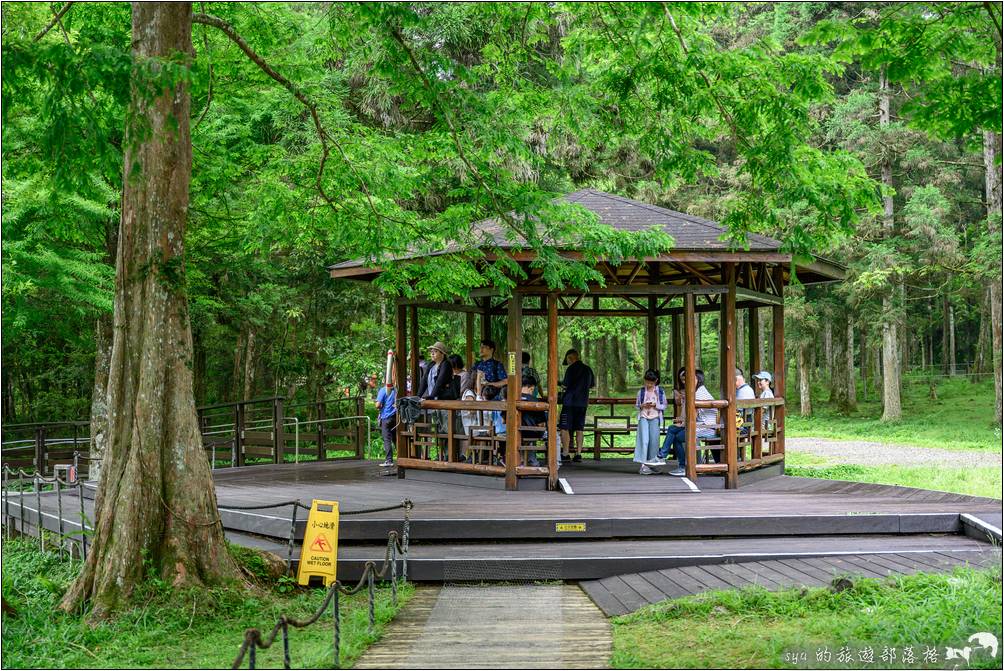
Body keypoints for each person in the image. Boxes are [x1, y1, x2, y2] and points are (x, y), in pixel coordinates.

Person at [653, 368, 717, 476]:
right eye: (684, 380)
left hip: (707, 428)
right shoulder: (698, 391)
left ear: (698, 379)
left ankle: (681, 466)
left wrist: (682, 424)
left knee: (677, 437)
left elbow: (693, 415)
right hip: (700, 425)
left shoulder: (698, 393)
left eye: (690, 379)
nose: (686, 382)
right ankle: (662, 456)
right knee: (672, 428)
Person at [559, 349, 594, 463]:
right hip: (583, 403)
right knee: (579, 428)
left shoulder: (571, 369)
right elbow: (592, 386)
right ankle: (578, 453)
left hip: (569, 402)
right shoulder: (588, 369)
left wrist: (559, 383)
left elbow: (565, 385)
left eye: (568, 360)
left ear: (570, 358)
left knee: (565, 427)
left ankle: (565, 453)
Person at [633, 369, 667, 475]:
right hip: (643, 417)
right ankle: (643, 465)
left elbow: (664, 406)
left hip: (655, 417)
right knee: (644, 440)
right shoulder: (641, 391)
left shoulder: (660, 392)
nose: (648, 384)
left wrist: (655, 405)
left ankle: (652, 465)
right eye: (647, 382)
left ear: (656, 381)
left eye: (651, 383)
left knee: (654, 442)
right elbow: (637, 405)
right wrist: (642, 405)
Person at [375, 383, 397, 467]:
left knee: (387, 439)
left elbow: (378, 405)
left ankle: (389, 460)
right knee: (396, 438)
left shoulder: (383, 390)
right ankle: (401, 457)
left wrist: (379, 406)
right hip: (395, 417)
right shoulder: (396, 390)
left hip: (386, 417)